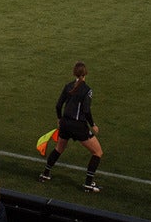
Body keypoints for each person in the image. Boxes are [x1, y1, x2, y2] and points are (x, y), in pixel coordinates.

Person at [38, 61, 104, 193]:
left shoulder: (68, 86)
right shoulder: (87, 90)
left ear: (74, 73)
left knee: (59, 148)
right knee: (98, 152)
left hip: (65, 123)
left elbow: (58, 105)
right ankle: (88, 184)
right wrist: (93, 125)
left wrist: (59, 119)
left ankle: (45, 174)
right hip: (78, 126)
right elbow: (86, 110)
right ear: (85, 73)